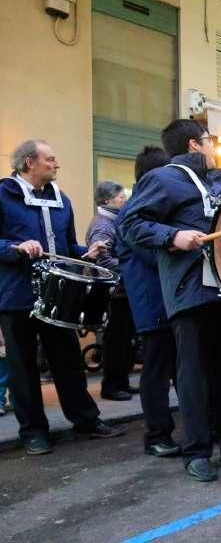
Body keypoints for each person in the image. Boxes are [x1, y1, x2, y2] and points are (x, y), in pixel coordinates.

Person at [120, 120, 221, 482]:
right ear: (194, 144)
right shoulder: (162, 180)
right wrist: (173, 235)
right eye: (209, 141)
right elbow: (129, 225)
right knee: (193, 374)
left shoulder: (216, 181)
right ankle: (197, 450)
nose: (213, 147)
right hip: (190, 291)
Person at [0, 139, 123, 455]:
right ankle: (33, 432)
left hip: (59, 296)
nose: (57, 165)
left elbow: (68, 248)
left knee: (68, 362)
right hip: (17, 295)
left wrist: (88, 253)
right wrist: (14, 249)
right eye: (50, 159)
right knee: (22, 367)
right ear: (30, 163)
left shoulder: (62, 200)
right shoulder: (3, 195)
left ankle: (85, 420)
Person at [115, 146, 181, 458]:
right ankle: (156, 434)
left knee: (179, 368)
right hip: (153, 305)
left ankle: (188, 426)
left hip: (168, 303)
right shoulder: (134, 213)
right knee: (156, 372)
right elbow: (156, 259)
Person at [86, 181, 138, 402]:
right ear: (107, 201)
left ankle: (121, 383)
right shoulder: (104, 225)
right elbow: (103, 260)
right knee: (116, 341)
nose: (124, 200)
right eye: (120, 197)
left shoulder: (112, 220)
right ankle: (112, 386)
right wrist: (131, 267)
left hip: (121, 291)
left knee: (124, 340)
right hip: (114, 293)